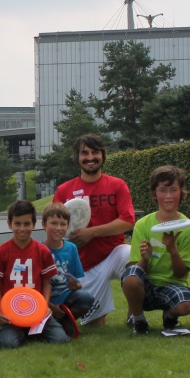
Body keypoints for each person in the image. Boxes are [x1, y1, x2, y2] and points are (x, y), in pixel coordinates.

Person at [53, 134, 136, 326]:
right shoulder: (65, 190)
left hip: (112, 254)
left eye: (95, 152)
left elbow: (128, 220)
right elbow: (54, 226)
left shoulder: (117, 185)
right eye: (85, 153)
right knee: (94, 325)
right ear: (77, 157)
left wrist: (92, 232)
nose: (90, 157)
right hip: (84, 265)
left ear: (103, 155)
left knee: (132, 256)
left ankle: (135, 314)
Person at [121, 165, 190, 334]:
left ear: (181, 192)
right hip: (147, 286)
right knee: (130, 277)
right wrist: (146, 258)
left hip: (172, 284)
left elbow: (180, 274)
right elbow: (134, 271)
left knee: (187, 305)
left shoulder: (189, 228)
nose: (169, 196)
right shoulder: (143, 224)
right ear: (154, 193)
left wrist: (173, 250)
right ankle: (138, 320)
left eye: (173, 190)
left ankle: (170, 315)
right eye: (163, 190)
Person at [0, 200, 70, 347]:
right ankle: (22, 332)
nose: (22, 228)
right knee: (7, 344)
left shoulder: (42, 251)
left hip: (37, 310)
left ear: (34, 224)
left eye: (27, 224)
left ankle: (32, 331)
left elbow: (46, 283)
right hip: (11, 312)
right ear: (9, 224)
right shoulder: (2, 252)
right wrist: (0, 311)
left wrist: (44, 307)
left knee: (61, 339)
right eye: (17, 224)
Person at [41, 203, 96, 338]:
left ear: (68, 226)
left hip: (65, 296)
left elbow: (77, 283)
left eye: (63, 224)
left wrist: (75, 286)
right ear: (44, 224)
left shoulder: (71, 248)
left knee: (86, 297)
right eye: (54, 223)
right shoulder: (39, 249)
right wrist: (50, 306)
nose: (58, 228)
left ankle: (65, 321)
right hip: (44, 300)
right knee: (58, 337)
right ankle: (52, 323)